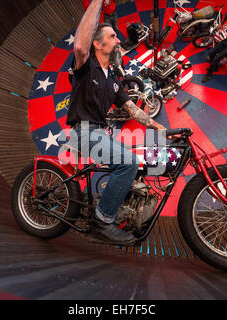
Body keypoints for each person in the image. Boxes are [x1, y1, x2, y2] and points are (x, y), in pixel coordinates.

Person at [67, 0, 166, 244]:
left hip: (101, 134)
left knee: (138, 163)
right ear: (98, 44)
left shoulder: (112, 79)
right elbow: (80, 45)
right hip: (84, 132)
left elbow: (131, 108)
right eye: (113, 36)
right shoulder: (86, 66)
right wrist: (97, 3)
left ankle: (118, 208)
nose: (119, 40)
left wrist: (157, 126)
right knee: (128, 162)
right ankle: (103, 222)